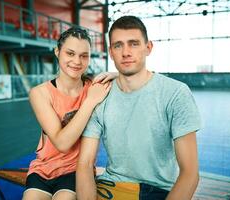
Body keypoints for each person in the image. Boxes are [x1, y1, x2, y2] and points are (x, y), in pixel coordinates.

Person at [76, 15, 202, 200]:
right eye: (118, 45)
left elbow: (190, 173)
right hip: (113, 184)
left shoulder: (176, 93)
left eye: (133, 43)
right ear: (111, 52)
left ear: (148, 47)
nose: (126, 52)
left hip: (157, 189)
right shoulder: (100, 96)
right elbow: (85, 164)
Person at [23, 27, 116, 200]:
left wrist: (114, 74)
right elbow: (62, 143)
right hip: (43, 169)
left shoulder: (94, 86)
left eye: (84, 55)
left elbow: (136, 78)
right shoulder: (40, 93)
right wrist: (89, 102)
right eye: (70, 53)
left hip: (75, 170)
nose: (77, 61)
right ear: (57, 52)